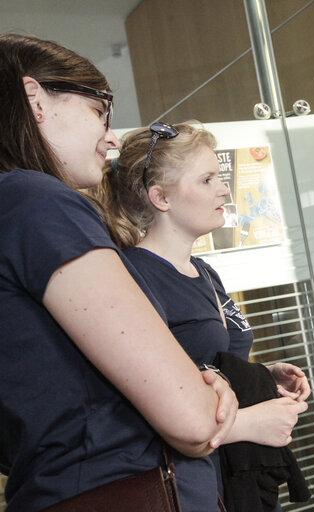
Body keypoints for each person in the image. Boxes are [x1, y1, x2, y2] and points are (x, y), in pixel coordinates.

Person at [0, 33, 239, 511]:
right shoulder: (37, 202)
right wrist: (209, 390)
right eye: (98, 110)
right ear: (35, 99)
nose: (110, 135)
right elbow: (195, 422)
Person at [95, 122, 311, 511]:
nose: (224, 189)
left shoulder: (204, 272)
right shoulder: (133, 277)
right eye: (208, 179)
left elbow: (210, 362)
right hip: (190, 488)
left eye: (221, 178)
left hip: (233, 480)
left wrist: (262, 375)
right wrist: (247, 425)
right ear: (161, 197)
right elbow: (137, 410)